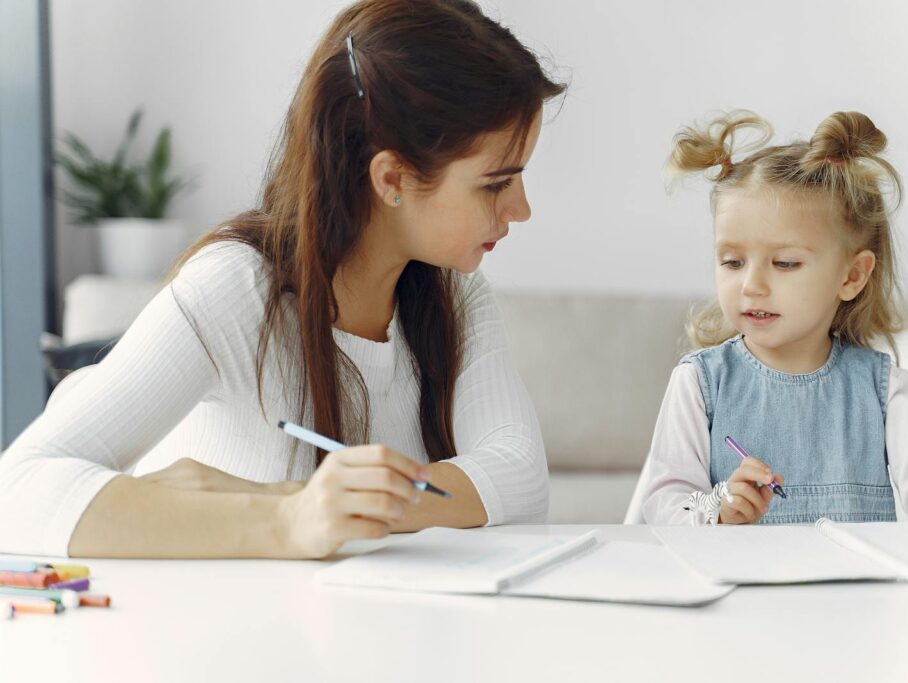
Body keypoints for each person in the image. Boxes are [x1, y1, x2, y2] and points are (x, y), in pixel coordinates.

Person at [0, 0, 565, 559]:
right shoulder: (238, 290)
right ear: (392, 177)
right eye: (496, 183)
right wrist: (288, 519)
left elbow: (519, 477)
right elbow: (18, 493)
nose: (522, 209)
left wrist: (317, 503)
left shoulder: (456, 295)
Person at [628, 110, 908, 529]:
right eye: (732, 261)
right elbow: (663, 503)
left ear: (852, 276)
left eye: (785, 263)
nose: (751, 285)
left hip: (854, 593)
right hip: (740, 592)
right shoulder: (701, 384)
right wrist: (718, 504)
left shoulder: (883, 388)